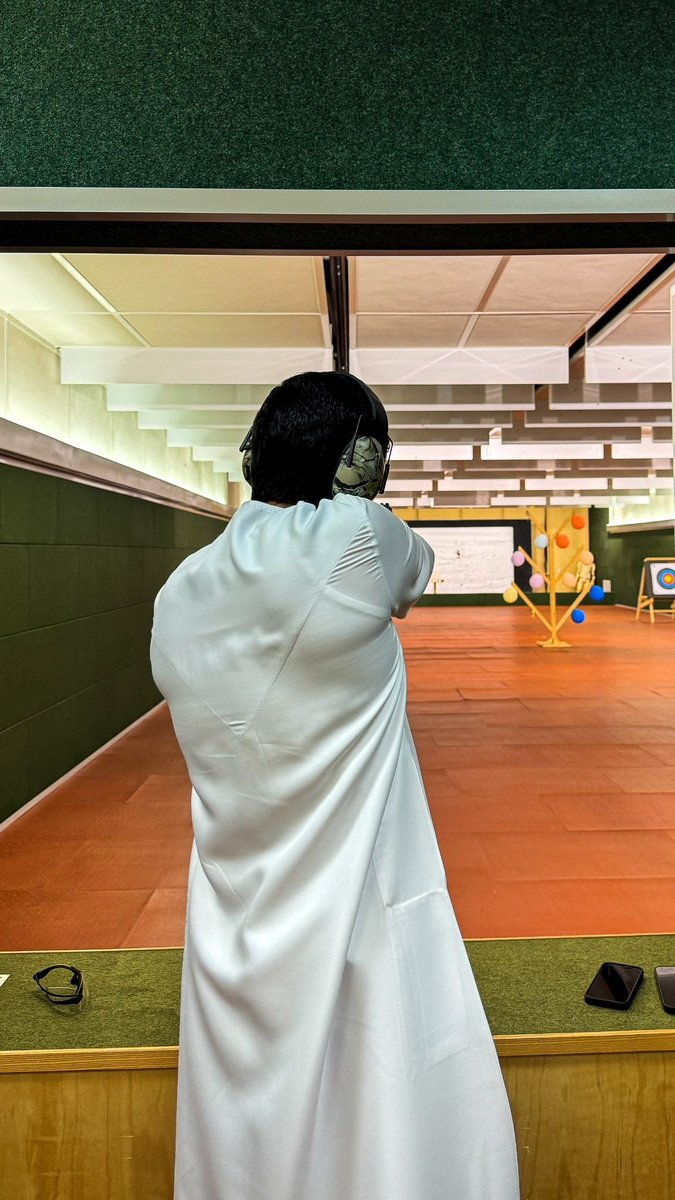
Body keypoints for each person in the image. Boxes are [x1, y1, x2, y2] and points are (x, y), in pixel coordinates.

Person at [150, 371, 519, 1200]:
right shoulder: (358, 538)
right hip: (360, 910)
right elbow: (413, 571)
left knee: (251, 1142)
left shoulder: (177, 593)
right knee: (391, 1121)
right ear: (359, 460)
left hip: (232, 918)